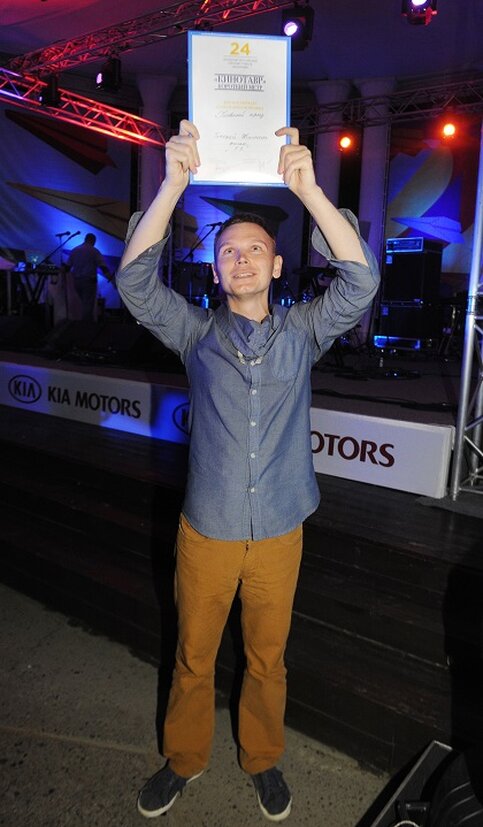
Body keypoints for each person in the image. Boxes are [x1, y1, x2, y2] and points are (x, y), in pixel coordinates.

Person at [116, 120, 380, 822]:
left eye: (254, 249)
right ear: (214, 270)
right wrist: (172, 185)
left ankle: (261, 757)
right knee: (193, 655)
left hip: (281, 529)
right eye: (227, 251)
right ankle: (184, 758)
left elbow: (360, 282)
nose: (240, 259)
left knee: (268, 658)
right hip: (208, 528)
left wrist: (310, 191)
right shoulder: (195, 335)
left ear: (276, 267)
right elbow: (134, 282)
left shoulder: (302, 333)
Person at [67, 232, 111, 321]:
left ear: (85, 239)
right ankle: (86, 325)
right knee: (88, 304)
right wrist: (111, 278)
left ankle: (81, 322)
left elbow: (68, 266)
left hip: (76, 281)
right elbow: (102, 266)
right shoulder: (94, 251)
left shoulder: (75, 250)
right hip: (89, 281)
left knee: (82, 303)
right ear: (93, 241)